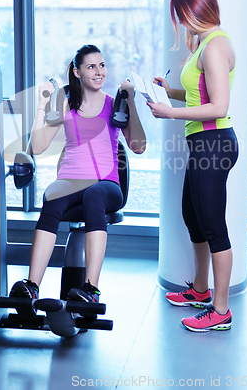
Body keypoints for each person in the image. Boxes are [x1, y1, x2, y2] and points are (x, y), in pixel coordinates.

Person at [10, 44, 146, 314]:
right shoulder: (65, 105)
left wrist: (130, 101)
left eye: (102, 65)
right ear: (77, 72)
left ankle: (90, 290)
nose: (99, 72)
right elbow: (37, 146)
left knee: (93, 195)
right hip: (71, 181)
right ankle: (32, 285)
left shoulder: (114, 104)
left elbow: (139, 146)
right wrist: (41, 106)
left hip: (106, 185)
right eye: (91, 67)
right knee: (52, 195)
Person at [147, 0, 239, 332]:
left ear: (195, 11)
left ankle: (221, 310)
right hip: (203, 144)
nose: (182, 24)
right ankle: (201, 290)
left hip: (214, 144)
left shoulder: (215, 46)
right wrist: (167, 91)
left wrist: (169, 113)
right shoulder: (207, 44)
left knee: (214, 228)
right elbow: (199, 94)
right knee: (193, 217)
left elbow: (219, 105)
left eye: (183, 17)